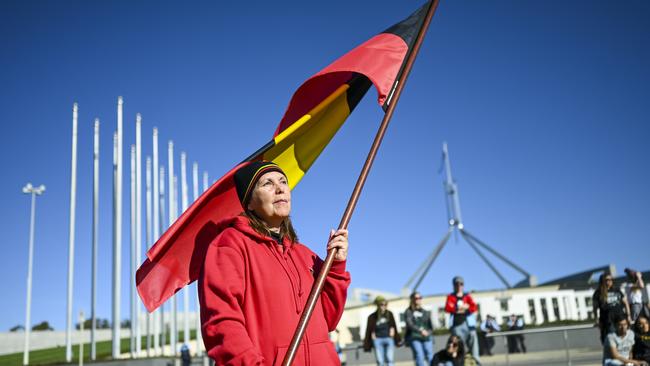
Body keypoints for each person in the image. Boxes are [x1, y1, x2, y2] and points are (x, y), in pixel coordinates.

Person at [199, 161, 351, 365]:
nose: (280, 188)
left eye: (283, 182)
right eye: (267, 184)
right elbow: (221, 322)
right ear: (249, 203)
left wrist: (335, 267)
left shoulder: (305, 255)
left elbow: (329, 319)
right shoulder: (229, 246)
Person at [445, 276, 480, 365]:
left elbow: (474, 307)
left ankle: (476, 363)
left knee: (474, 347)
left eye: (461, 284)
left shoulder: (467, 296)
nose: (459, 286)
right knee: (459, 348)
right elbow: (448, 308)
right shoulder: (450, 296)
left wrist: (465, 308)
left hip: (469, 325)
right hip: (457, 325)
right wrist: (460, 307)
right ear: (453, 285)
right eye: (457, 284)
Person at [593, 273, 632, 344]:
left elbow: (625, 302)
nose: (610, 281)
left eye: (611, 279)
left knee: (623, 337)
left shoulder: (616, 289)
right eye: (608, 279)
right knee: (611, 338)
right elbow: (595, 308)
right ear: (603, 281)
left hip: (620, 317)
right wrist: (596, 319)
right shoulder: (598, 293)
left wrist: (628, 316)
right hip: (607, 319)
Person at [363, 296, 401, 366]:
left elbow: (394, 325)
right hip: (378, 339)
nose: (383, 306)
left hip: (389, 338)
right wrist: (371, 337)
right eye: (381, 304)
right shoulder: (372, 316)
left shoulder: (389, 314)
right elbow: (368, 330)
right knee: (380, 361)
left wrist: (394, 332)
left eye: (385, 304)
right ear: (377, 305)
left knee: (390, 359)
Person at [405, 291, 435, 366]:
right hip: (415, 337)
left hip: (427, 337)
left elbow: (430, 326)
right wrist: (420, 330)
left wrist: (428, 332)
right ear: (412, 299)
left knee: (429, 355)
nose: (418, 300)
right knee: (419, 355)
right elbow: (410, 324)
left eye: (420, 298)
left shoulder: (425, 312)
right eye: (416, 298)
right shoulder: (408, 312)